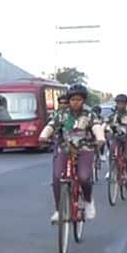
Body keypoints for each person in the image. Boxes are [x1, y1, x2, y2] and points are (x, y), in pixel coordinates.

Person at [39, 84, 105, 222]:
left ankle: (88, 201)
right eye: (73, 99)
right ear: (69, 100)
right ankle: (59, 210)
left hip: (84, 148)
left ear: (83, 100)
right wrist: (43, 136)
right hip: (65, 148)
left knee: (84, 177)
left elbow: (97, 126)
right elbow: (51, 126)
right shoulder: (61, 115)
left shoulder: (89, 114)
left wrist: (100, 138)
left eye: (79, 99)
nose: (75, 102)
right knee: (57, 177)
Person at [104, 94, 127, 192]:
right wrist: (105, 130)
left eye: (122, 103)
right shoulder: (113, 115)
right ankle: (111, 170)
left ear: (126, 104)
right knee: (111, 152)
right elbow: (106, 125)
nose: (120, 105)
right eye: (118, 103)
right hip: (117, 138)